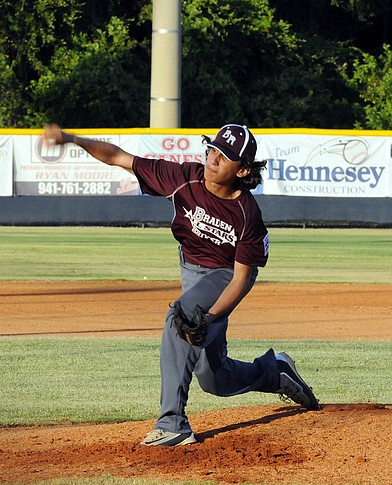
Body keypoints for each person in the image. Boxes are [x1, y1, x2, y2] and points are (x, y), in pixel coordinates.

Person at [44, 123, 319, 446]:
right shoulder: (183, 178)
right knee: (213, 377)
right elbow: (120, 157)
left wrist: (210, 317)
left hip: (225, 276)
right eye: (213, 149)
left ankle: (172, 422)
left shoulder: (247, 214)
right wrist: (72, 139)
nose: (214, 159)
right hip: (191, 269)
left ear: (243, 170)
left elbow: (242, 279)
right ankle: (275, 372)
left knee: (183, 318)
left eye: (225, 156)